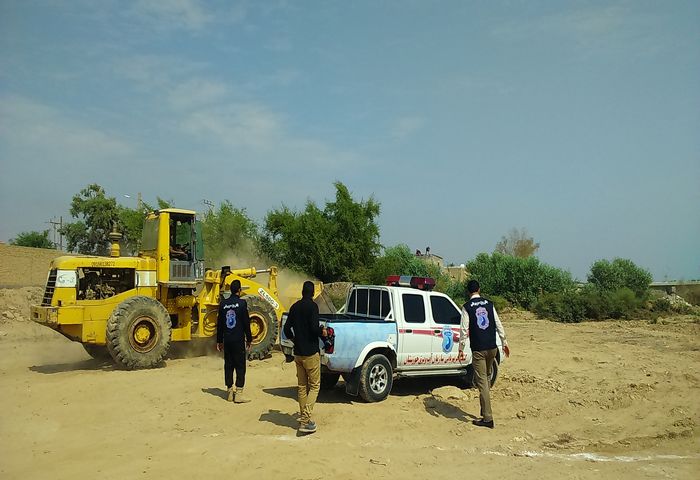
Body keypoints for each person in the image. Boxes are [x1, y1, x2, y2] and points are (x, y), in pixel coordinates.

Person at [459, 279, 510, 428]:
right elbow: (498, 324)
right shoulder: (489, 304)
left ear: (468, 292)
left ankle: (488, 418)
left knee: (482, 383)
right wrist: (504, 343)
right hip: (492, 348)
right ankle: (484, 410)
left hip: (479, 350)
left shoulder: (467, 307)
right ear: (479, 289)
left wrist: (461, 348)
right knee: (486, 378)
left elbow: (464, 330)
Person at [283, 281, 327, 434]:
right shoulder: (313, 307)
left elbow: (286, 329)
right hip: (311, 353)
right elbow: (314, 329)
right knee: (314, 386)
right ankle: (305, 420)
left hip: (298, 353)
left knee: (302, 387)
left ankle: (304, 418)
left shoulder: (294, 307)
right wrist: (322, 332)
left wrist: (294, 339)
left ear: (302, 292)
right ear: (313, 293)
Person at [216, 280, 252, 403]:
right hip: (238, 340)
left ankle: (230, 392)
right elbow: (246, 323)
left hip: (227, 340)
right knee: (240, 366)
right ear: (239, 290)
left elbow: (220, 325)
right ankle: (239, 394)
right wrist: (249, 339)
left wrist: (219, 341)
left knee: (229, 365)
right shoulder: (242, 303)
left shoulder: (223, 304)